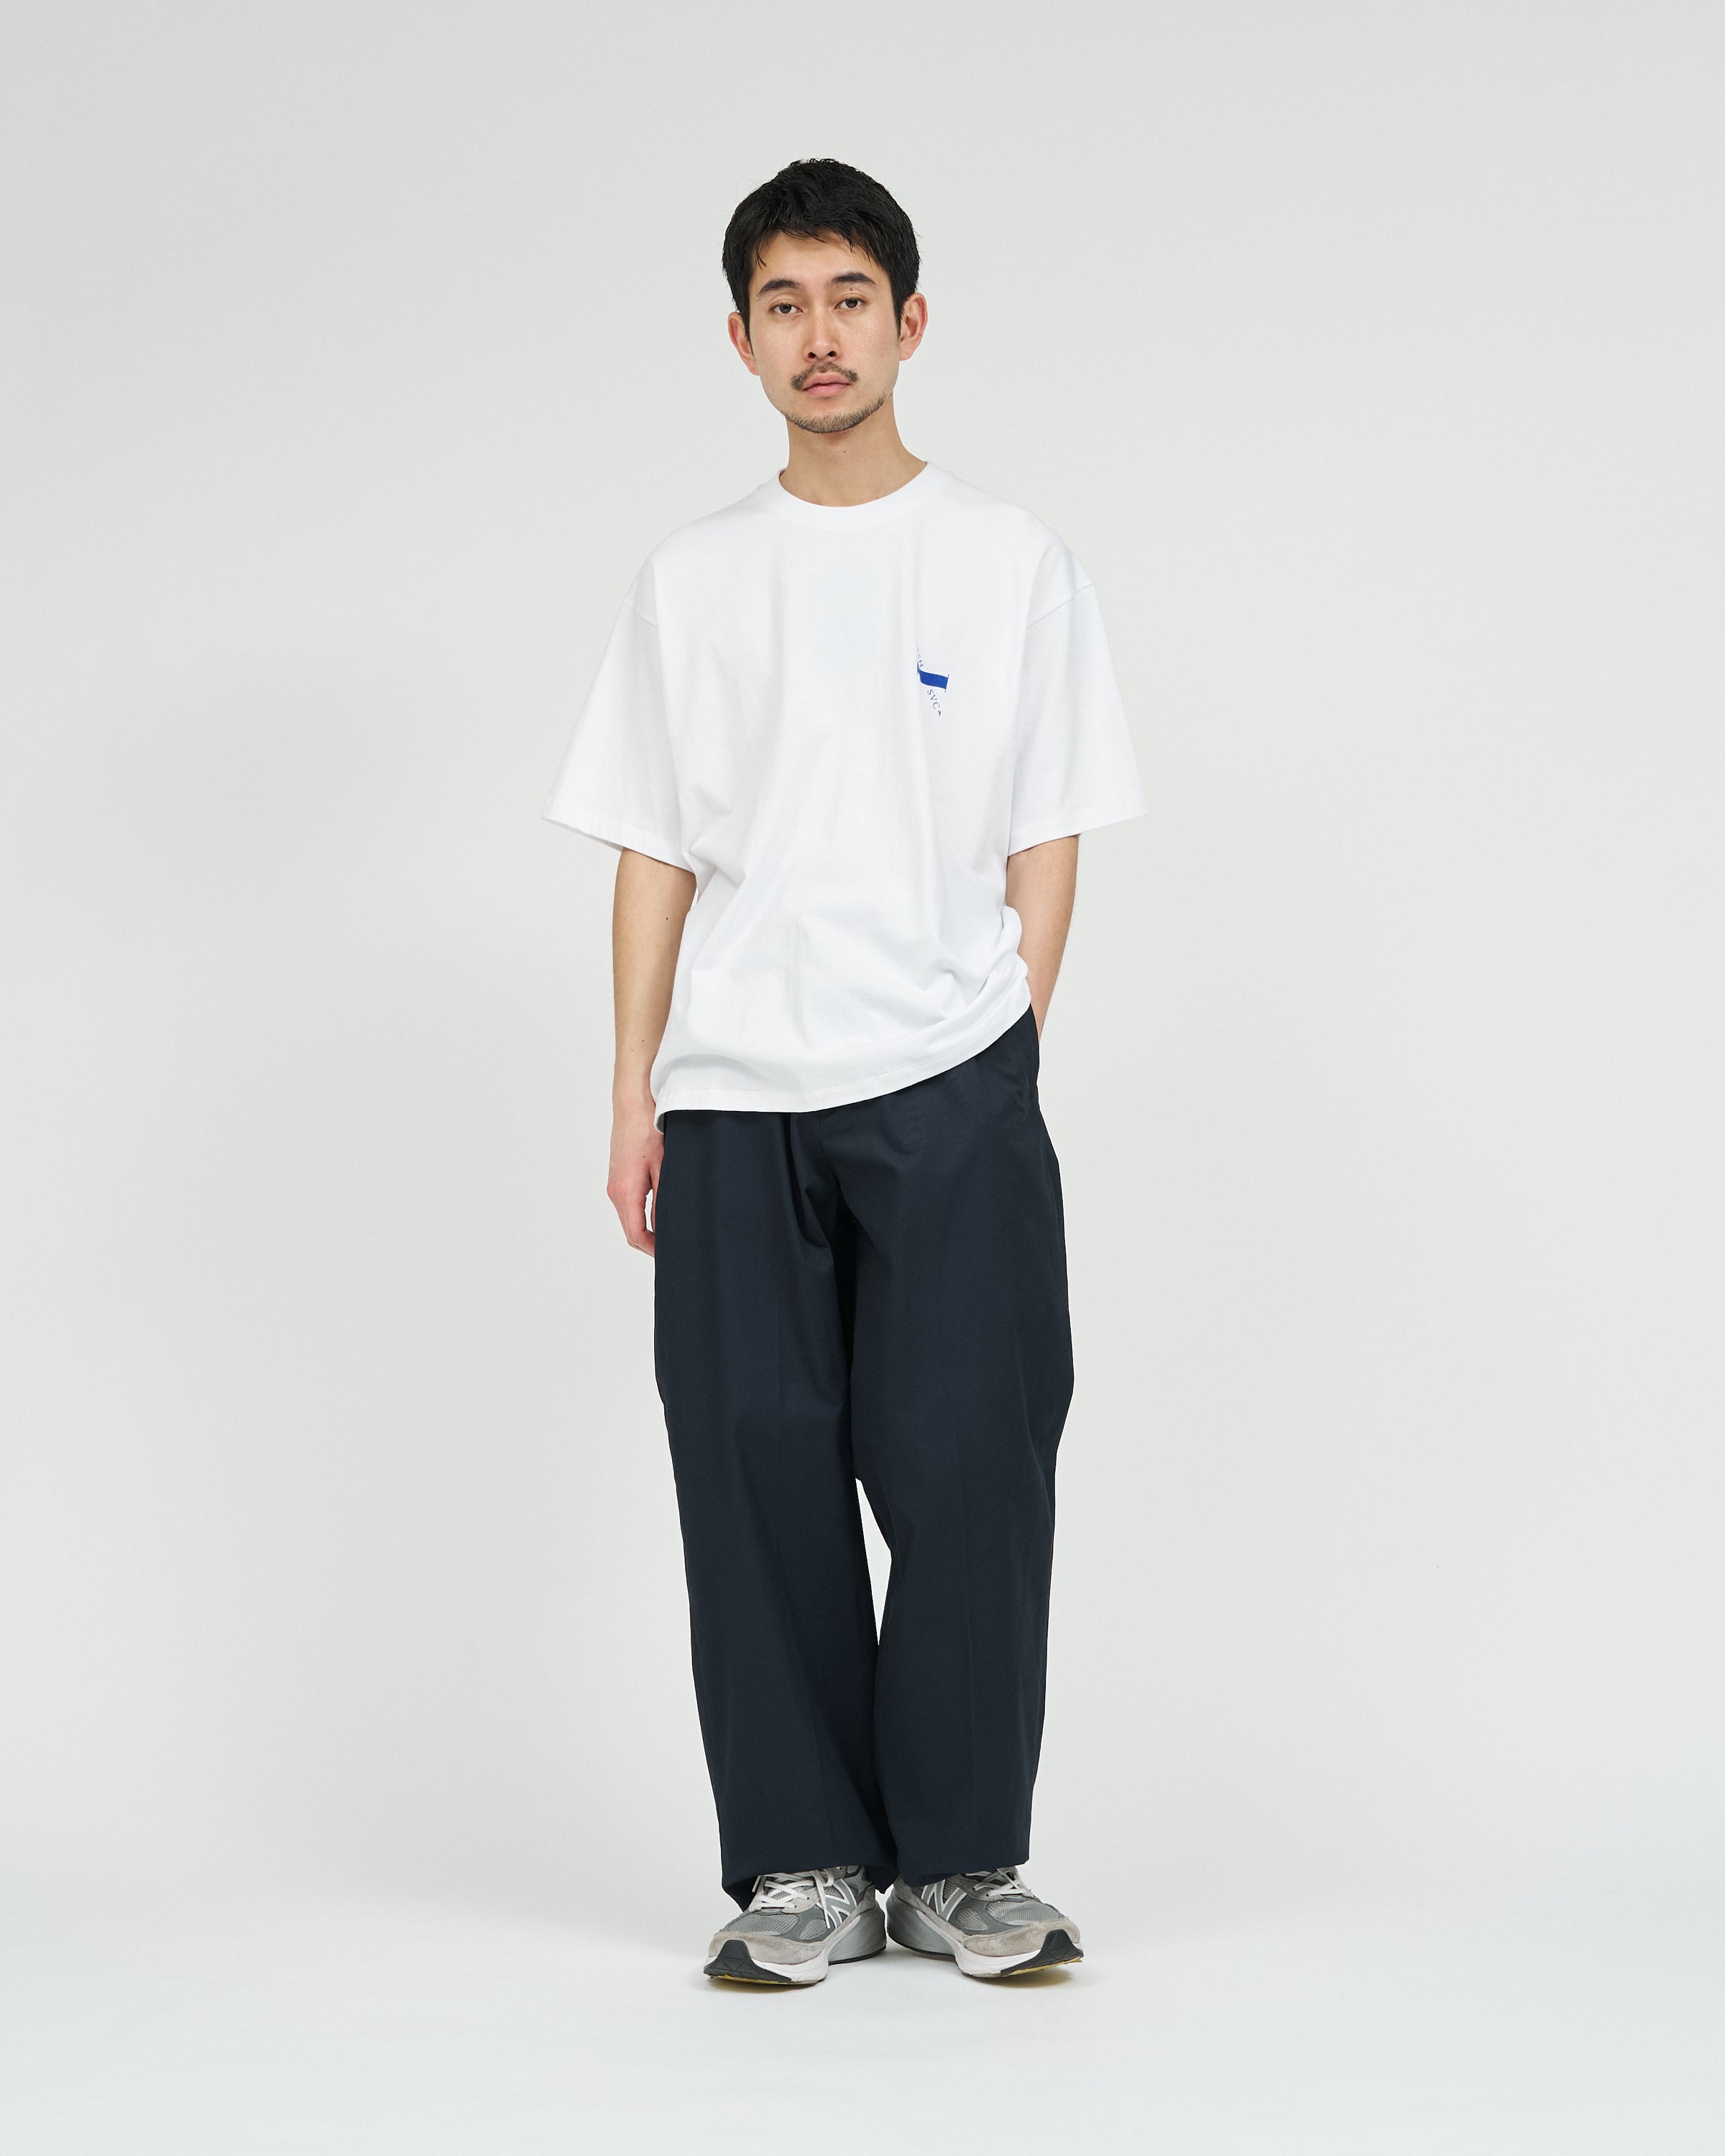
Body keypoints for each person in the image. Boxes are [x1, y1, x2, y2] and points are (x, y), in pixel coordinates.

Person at [544, 159, 1144, 1986]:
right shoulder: (693, 578)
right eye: (785, 304)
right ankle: (803, 1860)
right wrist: (635, 1087)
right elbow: (654, 846)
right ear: (740, 339)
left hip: (952, 1073)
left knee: (973, 1464)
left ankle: (962, 1862)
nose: (821, 335)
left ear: (912, 321)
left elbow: (1051, 828)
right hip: (734, 1090)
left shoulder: (1010, 559)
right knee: (754, 1469)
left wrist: (1004, 1042)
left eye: (852, 298)